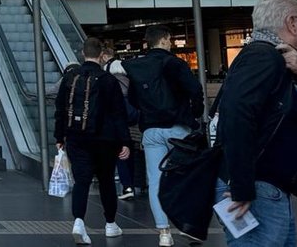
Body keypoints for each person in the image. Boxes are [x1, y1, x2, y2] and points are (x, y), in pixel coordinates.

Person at [215, 0, 297, 247]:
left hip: (267, 187)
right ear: (292, 23)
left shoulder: (279, 58)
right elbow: (237, 117)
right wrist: (241, 186)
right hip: (257, 187)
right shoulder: (264, 58)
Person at [124, 25, 203, 247]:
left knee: (156, 181)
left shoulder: (138, 67)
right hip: (178, 129)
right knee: (187, 178)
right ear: (166, 39)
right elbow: (195, 90)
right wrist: (194, 113)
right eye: (170, 39)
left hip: (150, 131)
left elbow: (132, 99)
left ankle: (164, 233)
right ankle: (189, 228)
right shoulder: (175, 63)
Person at [54, 37, 131, 245]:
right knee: (106, 181)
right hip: (105, 139)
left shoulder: (71, 77)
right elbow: (118, 113)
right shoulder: (108, 80)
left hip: (76, 137)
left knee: (82, 181)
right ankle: (110, 224)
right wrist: (125, 142)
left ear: (82, 54)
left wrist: (59, 136)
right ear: (101, 55)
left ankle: (79, 221)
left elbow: (60, 108)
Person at [100, 44, 140, 201]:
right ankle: (131, 183)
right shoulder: (128, 70)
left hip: (115, 116)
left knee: (119, 150)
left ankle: (127, 185)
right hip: (131, 115)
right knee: (128, 147)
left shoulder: (106, 73)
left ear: (104, 57)